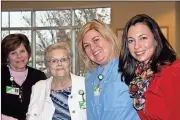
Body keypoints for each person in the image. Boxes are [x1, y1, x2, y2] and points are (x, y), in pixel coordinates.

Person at [119, 14, 180, 120]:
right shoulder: (139, 77)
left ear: (156, 39)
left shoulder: (173, 71)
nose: (136, 46)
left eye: (143, 38)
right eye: (131, 41)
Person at [78, 19, 140, 120]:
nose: (93, 47)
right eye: (87, 46)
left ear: (109, 38)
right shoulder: (89, 78)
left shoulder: (131, 67)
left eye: (96, 40)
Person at [26, 41, 87, 120]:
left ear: (70, 63)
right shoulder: (38, 87)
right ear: (47, 66)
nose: (59, 64)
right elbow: (31, 117)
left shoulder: (85, 84)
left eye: (63, 59)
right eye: (54, 61)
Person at [1, 33, 47, 120]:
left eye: (22, 51)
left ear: (28, 52)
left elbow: (46, 106)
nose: (19, 56)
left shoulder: (39, 76)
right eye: (13, 53)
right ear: (7, 56)